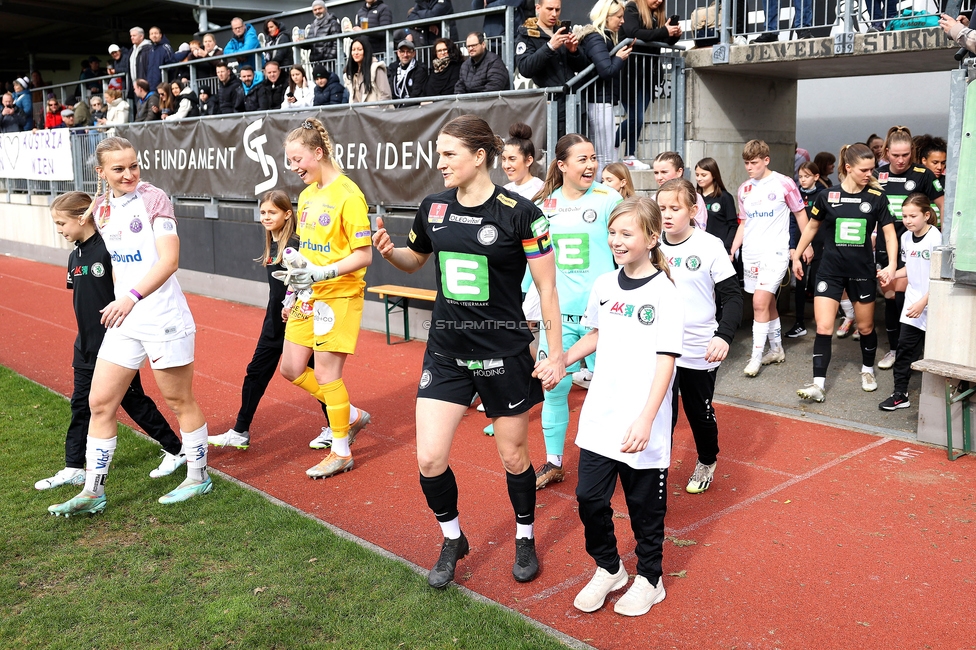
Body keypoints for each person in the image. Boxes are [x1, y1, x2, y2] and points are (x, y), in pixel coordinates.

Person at [371, 114, 565, 589]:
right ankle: (452, 538)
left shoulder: (522, 213)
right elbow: (415, 259)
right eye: (438, 154)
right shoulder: (433, 208)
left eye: (448, 154)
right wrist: (388, 250)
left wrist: (555, 354)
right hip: (446, 351)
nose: (439, 164)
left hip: (504, 354)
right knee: (429, 459)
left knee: (514, 457)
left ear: (480, 157)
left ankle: (523, 536)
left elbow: (548, 289)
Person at [48, 136, 213, 517]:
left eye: (133, 165)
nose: (129, 174)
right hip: (126, 319)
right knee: (100, 402)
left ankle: (198, 475)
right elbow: (80, 225)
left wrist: (130, 296)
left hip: (161, 316)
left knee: (178, 400)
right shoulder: (100, 206)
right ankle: (93, 491)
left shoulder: (154, 199)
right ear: (100, 172)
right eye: (119, 168)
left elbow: (169, 261)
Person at [566, 196, 681, 617]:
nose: (616, 240)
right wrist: (563, 358)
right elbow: (597, 334)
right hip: (601, 416)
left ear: (652, 238)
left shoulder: (665, 293)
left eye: (625, 233)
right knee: (588, 498)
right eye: (612, 232)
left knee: (644, 510)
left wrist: (647, 419)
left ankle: (650, 579)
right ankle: (609, 567)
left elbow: (667, 360)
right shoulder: (604, 284)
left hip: (641, 421)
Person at [37, 191, 188, 492]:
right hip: (85, 345)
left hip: (116, 343)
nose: (59, 230)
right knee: (81, 404)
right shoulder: (74, 255)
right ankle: (73, 467)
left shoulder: (108, 249)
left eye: (61, 223)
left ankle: (176, 449)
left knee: (135, 403)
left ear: (82, 217)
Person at [209, 190, 370, 450]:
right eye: (262, 212)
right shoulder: (272, 243)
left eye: (272, 212)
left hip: (300, 317)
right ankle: (240, 430)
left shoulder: (295, 243)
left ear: (287, 214)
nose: (266, 217)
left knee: (319, 375)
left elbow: (304, 281)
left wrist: (291, 303)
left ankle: (339, 423)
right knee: (258, 372)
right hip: (275, 320)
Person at [276, 118, 373, 478]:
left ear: (319, 152)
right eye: (290, 161)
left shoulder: (349, 195)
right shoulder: (307, 195)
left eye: (298, 159)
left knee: (329, 373)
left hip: (340, 295)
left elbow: (363, 255)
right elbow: (309, 250)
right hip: (309, 295)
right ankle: (348, 414)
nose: (294, 167)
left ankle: (341, 450)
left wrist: (322, 273)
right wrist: (296, 286)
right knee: (290, 368)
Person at [531, 133, 622, 490]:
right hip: (558, 315)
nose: (590, 165)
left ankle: (615, 458)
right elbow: (535, 261)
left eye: (593, 158)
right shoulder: (545, 204)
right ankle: (554, 462)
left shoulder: (608, 197)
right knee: (553, 388)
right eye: (581, 159)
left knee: (610, 389)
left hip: (605, 316)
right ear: (562, 165)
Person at [792, 143, 897, 403]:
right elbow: (811, 227)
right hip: (830, 271)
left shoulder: (876, 197)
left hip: (861, 271)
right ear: (848, 168)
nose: (869, 174)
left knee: (865, 326)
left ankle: (867, 369)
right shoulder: (827, 196)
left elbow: (889, 234)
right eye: (864, 169)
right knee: (824, 327)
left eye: (872, 169)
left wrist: (892, 265)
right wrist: (797, 255)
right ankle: (818, 384)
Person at [657, 179, 741, 494]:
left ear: (693, 210)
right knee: (662, 411)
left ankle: (707, 459)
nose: (667, 215)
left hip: (698, 347)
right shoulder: (652, 245)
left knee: (698, 411)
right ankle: (657, 469)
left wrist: (723, 336)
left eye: (675, 209)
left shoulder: (709, 246)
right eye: (662, 208)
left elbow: (732, 298)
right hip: (659, 345)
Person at [730, 139, 808, 377]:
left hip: (775, 253)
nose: (749, 167)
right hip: (751, 254)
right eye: (746, 163)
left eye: (754, 162)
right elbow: (744, 223)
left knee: (759, 303)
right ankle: (777, 350)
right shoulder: (744, 188)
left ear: (766, 160)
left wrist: (805, 245)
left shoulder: (784, 183)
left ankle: (755, 358)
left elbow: (800, 213)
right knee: (768, 302)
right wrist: (732, 249)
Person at [875, 126, 944, 371]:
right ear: (886, 153)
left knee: (906, 295)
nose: (901, 160)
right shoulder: (878, 175)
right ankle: (895, 349)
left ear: (912, 152)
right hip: (886, 247)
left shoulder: (923, 174)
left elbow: (942, 205)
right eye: (895, 155)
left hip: (916, 247)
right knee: (891, 297)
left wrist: (943, 240)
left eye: (905, 154)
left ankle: (911, 349)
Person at [879, 194, 941, 411]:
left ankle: (940, 400)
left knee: (935, 353)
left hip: (933, 302)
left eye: (913, 216)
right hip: (914, 301)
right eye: (904, 216)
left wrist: (924, 301)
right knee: (904, 348)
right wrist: (892, 274)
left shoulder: (936, 238)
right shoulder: (905, 237)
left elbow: (940, 276)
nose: (907, 220)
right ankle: (900, 394)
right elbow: (911, 267)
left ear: (926, 215)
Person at [619, 0, 681, 170]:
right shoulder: (632, 7)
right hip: (629, 73)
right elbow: (634, 33)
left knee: (638, 118)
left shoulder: (657, 15)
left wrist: (674, 34)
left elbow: (665, 41)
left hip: (648, 75)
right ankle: (614, 143)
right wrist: (663, 31)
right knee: (635, 118)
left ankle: (629, 155)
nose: (659, 1)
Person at [515, 0, 587, 137]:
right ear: (538, 8)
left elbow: (583, 66)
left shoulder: (563, 31)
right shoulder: (527, 35)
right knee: (559, 151)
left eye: (557, 9)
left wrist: (574, 51)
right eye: (549, 9)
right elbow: (525, 68)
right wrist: (549, 47)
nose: (554, 14)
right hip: (551, 107)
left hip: (576, 103)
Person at [577, 0, 632, 176]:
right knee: (603, 153)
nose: (622, 21)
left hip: (602, 100)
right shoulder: (596, 37)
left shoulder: (602, 37)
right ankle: (604, 188)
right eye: (619, 17)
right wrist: (619, 58)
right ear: (606, 17)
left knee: (606, 152)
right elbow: (606, 70)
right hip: (598, 101)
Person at [786, 161, 826, 339]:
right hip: (801, 245)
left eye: (807, 176)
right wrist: (793, 247)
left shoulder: (823, 195)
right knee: (800, 285)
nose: (802, 180)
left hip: (820, 245)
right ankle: (799, 322)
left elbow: (826, 224)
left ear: (816, 177)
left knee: (818, 284)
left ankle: (822, 323)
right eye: (800, 176)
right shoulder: (796, 195)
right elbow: (793, 223)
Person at [652, 152, 707, 230]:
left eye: (664, 172)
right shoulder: (653, 199)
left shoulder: (695, 197)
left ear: (679, 172)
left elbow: (700, 227)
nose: (659, 177)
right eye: (656, 173)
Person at [695, 157, 737, 254]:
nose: (699, 178)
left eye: (703, 175)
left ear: (713, 175)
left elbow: (733, 226)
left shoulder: (725, 197)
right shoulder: (694, 197)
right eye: (697, 175)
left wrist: (728, 248)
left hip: (719, 249)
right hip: (699, 249)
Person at [501, 122, 544, 199]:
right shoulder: (504, 192)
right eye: (503, 159)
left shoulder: (541, 190)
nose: (506, 165)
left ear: (528, 161)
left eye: (512, 159)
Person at [342, 38, 391, 103]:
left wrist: (378, 112)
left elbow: (386, 95)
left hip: (377, 112)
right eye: (353, 50)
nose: (356, 53)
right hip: (360, 112)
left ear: (366, 51)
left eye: (359, 49)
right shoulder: (351, 74)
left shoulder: (376, 69)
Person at [388, 40, 428, 104]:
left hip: (412, 108)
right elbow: (391, 91)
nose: (405, 55)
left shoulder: (420, 69)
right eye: (402, 52)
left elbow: (416, 94)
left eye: (408, 51)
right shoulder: (392, 68)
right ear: (398, 53)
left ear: (414, 53)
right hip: (395, 108)